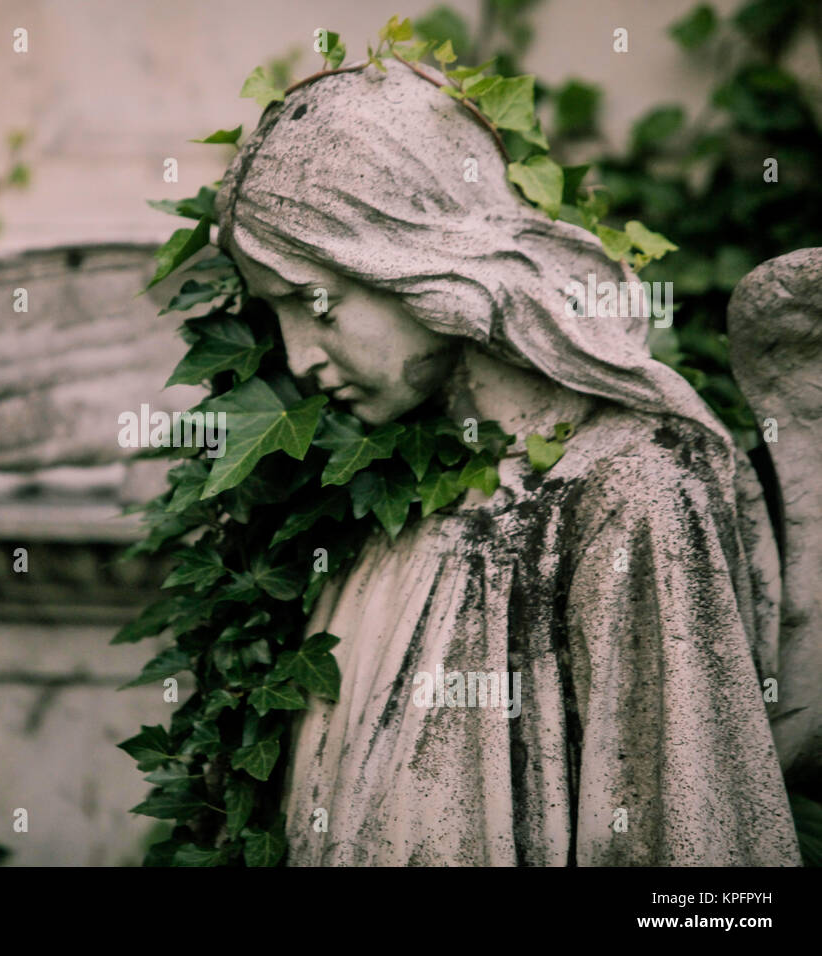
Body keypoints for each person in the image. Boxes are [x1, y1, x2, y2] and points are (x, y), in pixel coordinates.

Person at [213, 60, 800, 865]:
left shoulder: (631, 492)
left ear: (421, 262)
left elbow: (699, 869)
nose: (298, 358)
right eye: (270, 313)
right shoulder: (388, 503)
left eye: (312, 300)